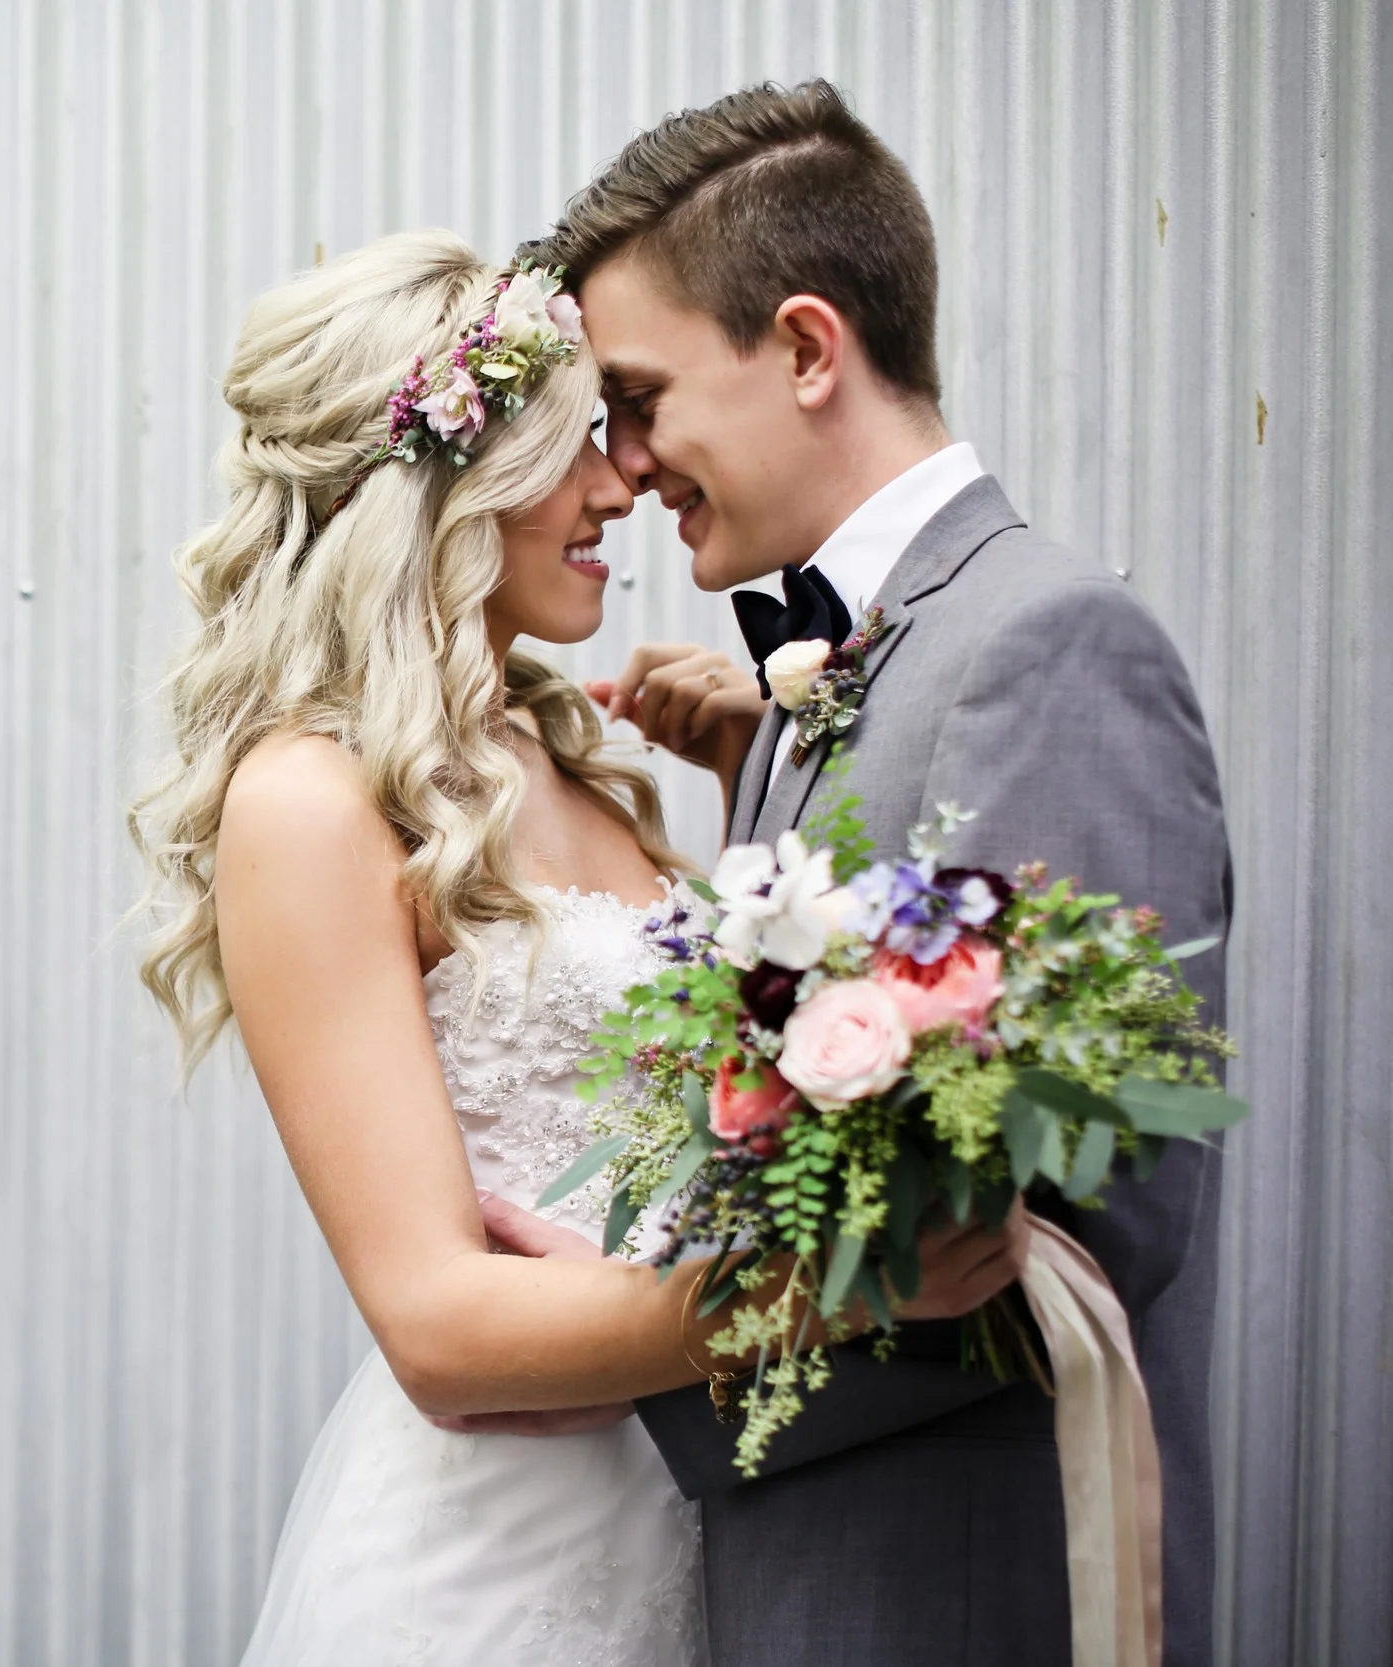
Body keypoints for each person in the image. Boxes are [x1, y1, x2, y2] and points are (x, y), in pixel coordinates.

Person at [127, 228, 1028, 1666]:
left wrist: (752, 780)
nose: (621, 483)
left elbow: (699, 1118)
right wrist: (828, 1293)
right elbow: (439, 1328)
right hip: (489, 1573)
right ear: (444, 482)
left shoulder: (572, 757)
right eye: (572, 451)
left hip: (679, 1529)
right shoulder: (309, 801)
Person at [509, 80, 1232, 1666]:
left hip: (948, 1595)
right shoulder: (816, 684)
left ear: (810, 348)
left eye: (639, 398)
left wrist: (658, 1374)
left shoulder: (1047, 645)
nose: (623, 465)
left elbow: (1090, 1216)